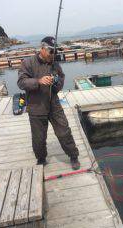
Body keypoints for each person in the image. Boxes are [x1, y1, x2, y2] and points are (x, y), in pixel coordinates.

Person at [17, 36, 80, 169]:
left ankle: (73, 156)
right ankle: (41, 159)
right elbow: (21, 82)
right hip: (36, 106)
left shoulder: (55, 64)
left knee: (64, 132)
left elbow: (61, 78)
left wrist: (57, 82)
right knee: (38, 138)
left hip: (54, 104)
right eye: (51, 51)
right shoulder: (27, 63)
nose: (53, 54)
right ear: (42, 49)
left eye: (55, 52)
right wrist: (38, 81)